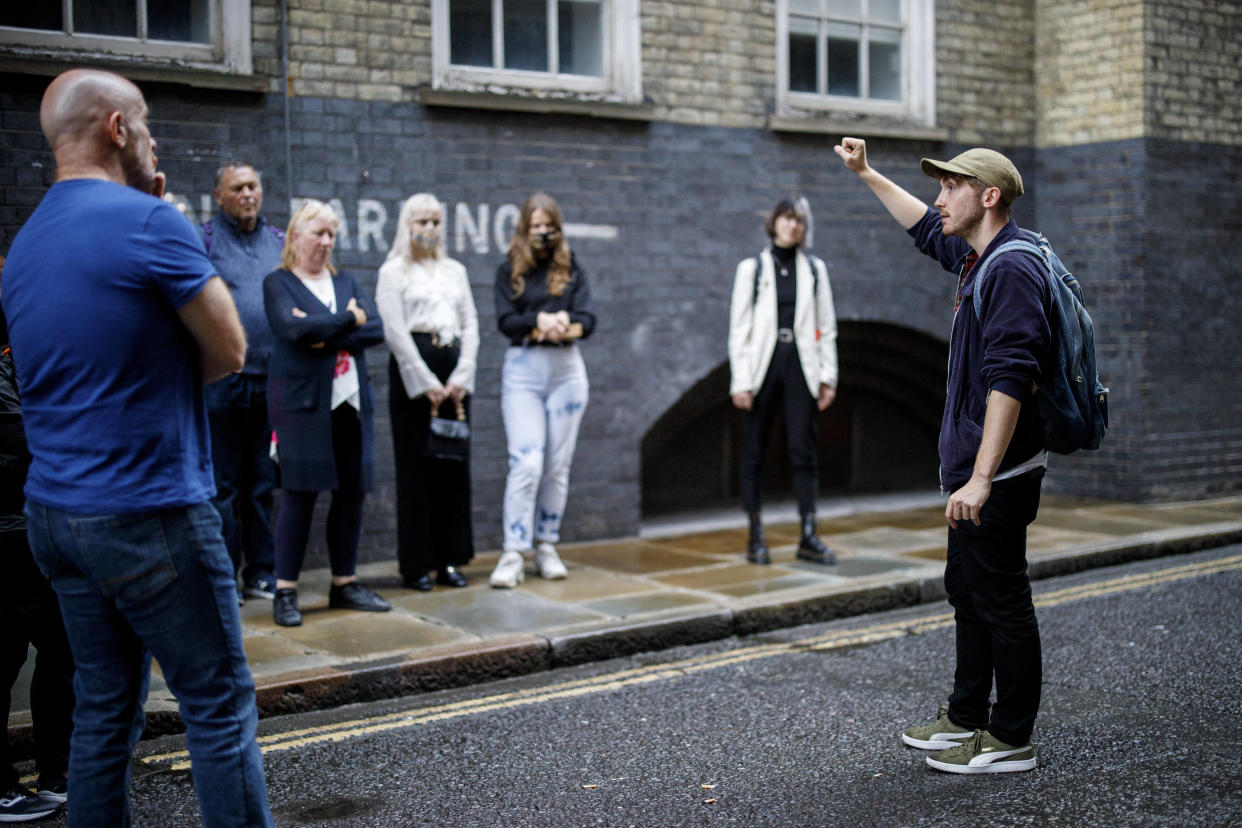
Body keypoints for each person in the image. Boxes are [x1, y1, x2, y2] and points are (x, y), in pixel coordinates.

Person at [1, 69, 272, 824]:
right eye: (145, 121)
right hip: (149, 510)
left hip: (56, 518)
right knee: (218, 706)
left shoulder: (25, 244)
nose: (152, 136)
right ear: (117, 129)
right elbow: (229, 349)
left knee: (102, 711)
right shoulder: (150, 223)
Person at [835, 136, 1052, 774]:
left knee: (1002, 597)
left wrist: (983, 478)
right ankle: (966, 716)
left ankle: (1010, 738)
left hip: (1001, 471)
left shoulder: (1011, 267)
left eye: (950, 188)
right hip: (974, 468)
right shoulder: (980, 258)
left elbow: (1011, 378)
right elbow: (927, 230)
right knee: (970, 591)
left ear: (988, 196)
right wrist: (867, 174)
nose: (939, 199)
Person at [265, 199, 390, 627]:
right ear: (295, 236)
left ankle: (345, 584)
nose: (326, 241)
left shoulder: (348, 279)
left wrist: (325, 330)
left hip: (351, 402)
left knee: (351, 493)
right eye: (318, 232)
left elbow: (375, 329)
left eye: (331, 234)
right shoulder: (278, 283)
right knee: (299, 495)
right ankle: (285, 591)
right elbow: (292, 329)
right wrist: (346, 320)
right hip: (302, 405)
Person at [489, 193, 595, 588]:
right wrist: (540, 320)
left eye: (548, 225)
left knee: (556, 466)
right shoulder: (509, 271)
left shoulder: (572, 268)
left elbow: (589, 319)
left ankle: (546, 544)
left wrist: (562, 321)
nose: (542, 233)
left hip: (566, 370)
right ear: (524, 229)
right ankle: (513, 550)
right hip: (523, 370)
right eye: (534, 226)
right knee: (527, 462)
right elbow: (506, 321)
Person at [727, 196, 839, 566]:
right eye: (787, 219)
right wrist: (740, 381)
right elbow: (739, 328)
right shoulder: (752, 269)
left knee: (803, 451)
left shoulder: (815, 270)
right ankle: (755, 534)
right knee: (754, 451)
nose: (792, 226)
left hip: (801, 367)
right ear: (774, 223)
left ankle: (808, 535)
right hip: (762, 367)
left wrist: (828, 376)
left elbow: (826, 326)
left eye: (799, 221)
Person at [376, 194, 479, 591]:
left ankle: (449, 559)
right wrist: (427, 383)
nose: (429, 229)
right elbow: (395, 332)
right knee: (416, 467)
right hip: (414, 380)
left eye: (436, 222)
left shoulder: (455, 270)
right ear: (407, 225)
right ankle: (416, 563)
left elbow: (471, 324)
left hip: (454, 378)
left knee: (453, 467)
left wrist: (461, 376)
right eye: (422, 222)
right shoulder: (393, 272)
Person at [0, 257, 72, 823]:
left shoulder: (21, 358)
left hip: (40, 528)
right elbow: (28, 437)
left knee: (60, 651)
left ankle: (59, 770)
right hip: (8, 535)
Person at [201, 161, 283, 603]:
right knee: (223, 483)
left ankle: (262, 572)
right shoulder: (205, 240)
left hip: (270, 381)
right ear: (220, 196)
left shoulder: (278, 242)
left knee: (261, 481)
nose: (248, 194)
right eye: (237, 188)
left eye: (253, 185)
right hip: (221, 381)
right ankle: (224, 576)